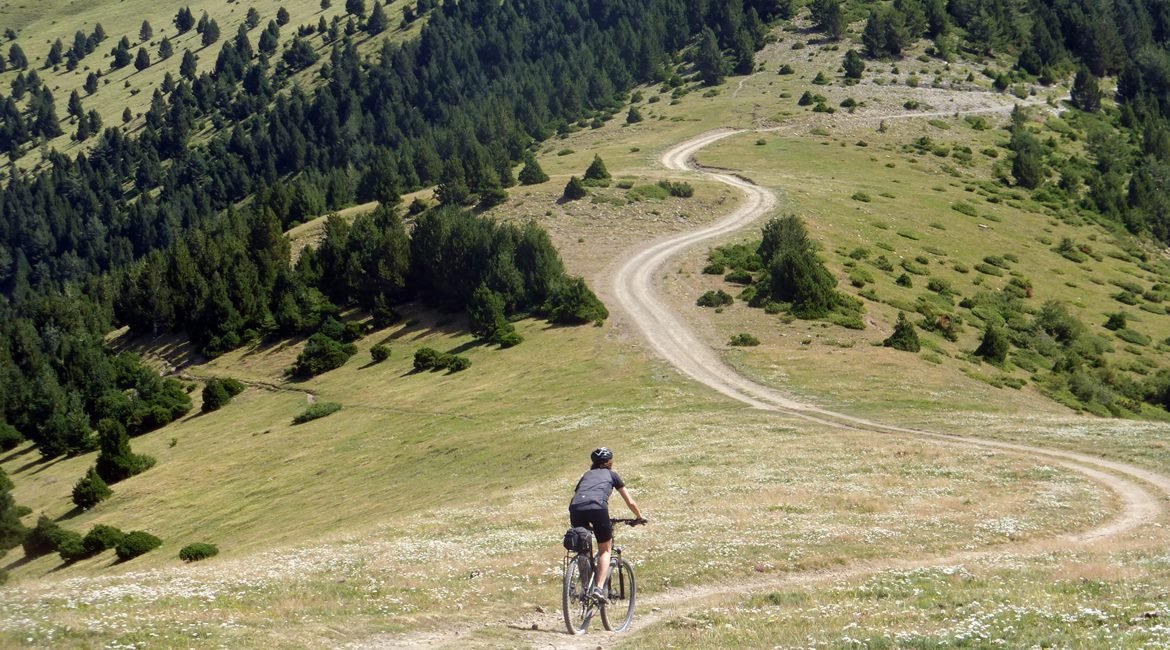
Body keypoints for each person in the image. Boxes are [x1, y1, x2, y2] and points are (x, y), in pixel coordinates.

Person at [568, 447, 645, 604]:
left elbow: (578, 495)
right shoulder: (612, 475)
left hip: (576, 508)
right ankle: (597, 589)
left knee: (584, 549)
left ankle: (584, 588)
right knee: (605, 550)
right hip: (597, 508)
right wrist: (639, 517)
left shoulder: (586, 475)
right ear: (610, 462)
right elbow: (630, 501)